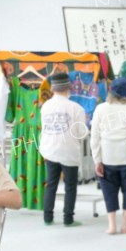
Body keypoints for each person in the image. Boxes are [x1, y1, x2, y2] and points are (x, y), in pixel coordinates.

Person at [91, 78, 126, 234]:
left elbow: (94, 137)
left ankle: (111, 225)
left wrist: (97, 160)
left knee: (108, 189)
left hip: (107, 155)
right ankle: (124, 225)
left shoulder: (100, 109)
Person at [40, 72, 87, 226]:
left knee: (51, 184)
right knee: (70, 186)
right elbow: (80, 133)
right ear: (69, 87)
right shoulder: (76, 108)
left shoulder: (45, 106)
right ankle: (68, 219)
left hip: (50, 150)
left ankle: (48, 217)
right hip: (69, 151)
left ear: (53, 88)